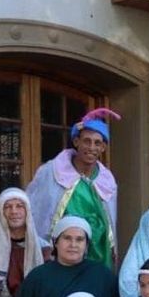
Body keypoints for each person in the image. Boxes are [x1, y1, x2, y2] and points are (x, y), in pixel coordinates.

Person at [26, 109, 120, 269]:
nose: (91, 147)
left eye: (97, 143)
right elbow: (35, 210)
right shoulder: (52, 171)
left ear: (103, 147)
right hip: (62, 252)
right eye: (86, 141)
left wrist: (112, 248)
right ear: (76, 142)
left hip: (98, 254)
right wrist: (43, 245)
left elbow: (110, 220)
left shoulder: (107, 179)